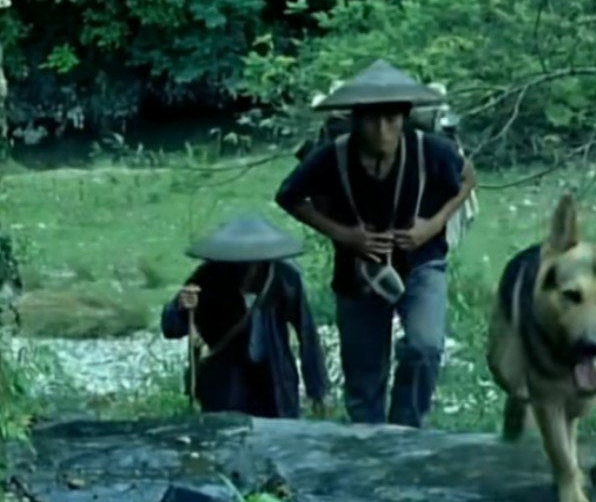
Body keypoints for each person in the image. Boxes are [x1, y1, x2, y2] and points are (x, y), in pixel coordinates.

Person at [274, 58, 477, 428]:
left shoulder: (429, 149)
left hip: (421, 261)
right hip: (359, 270)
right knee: (363, 370)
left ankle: (406, 427)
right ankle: (368, 439)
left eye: (391, 120)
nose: (382, 130)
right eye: (372, 120)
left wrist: (432, 225)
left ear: (403, 120)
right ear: (356, 121)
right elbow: (288, 196)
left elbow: (467, 178)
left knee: (425, 345)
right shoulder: (333, 156)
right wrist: (344, 235)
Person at [160, 215, 329, 418]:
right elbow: (172, 329)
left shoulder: (285, 278)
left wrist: (317, 390)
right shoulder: (208, 277)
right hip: (226, 381)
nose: (250, 266)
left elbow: (307, 333)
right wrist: (180, 307)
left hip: (274, 378)